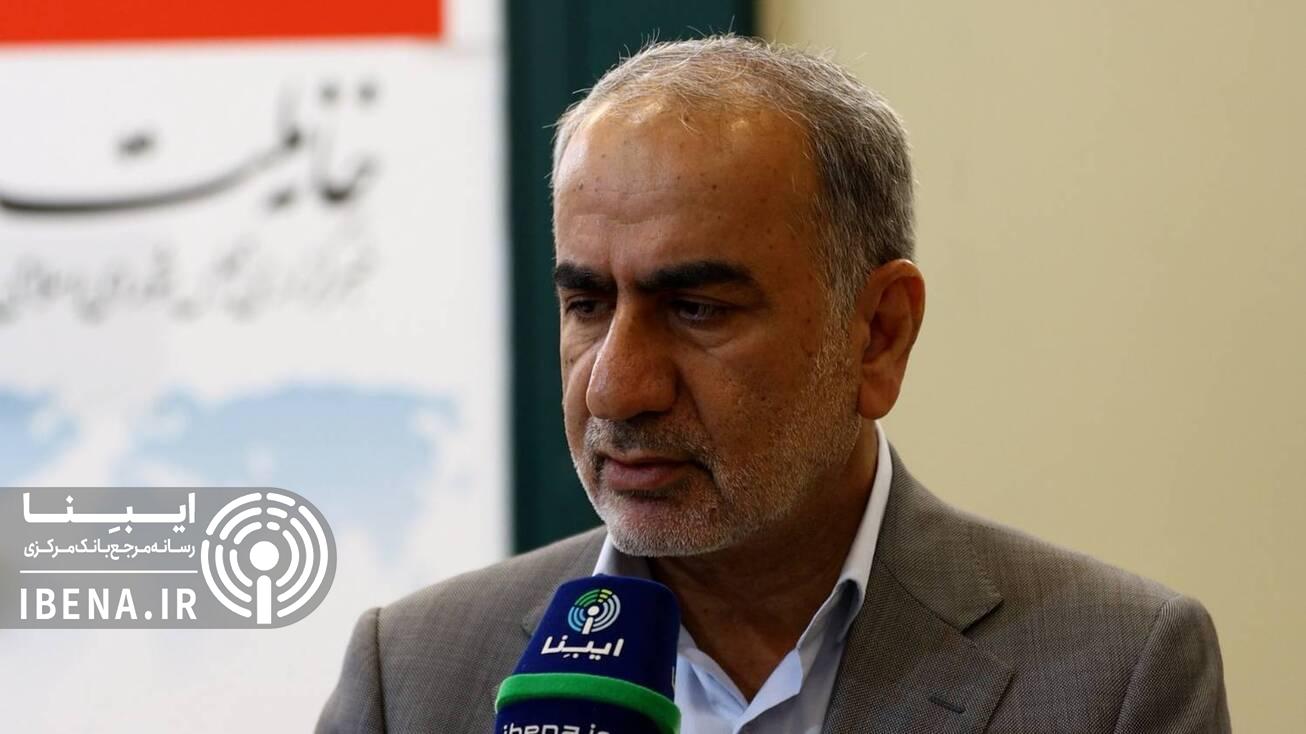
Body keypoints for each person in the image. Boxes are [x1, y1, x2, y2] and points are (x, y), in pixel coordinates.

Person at [317, 36, 1230, 733]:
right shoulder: (413, 675)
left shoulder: (1114, 674)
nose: (616, 390)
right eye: (587, 304)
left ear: (878, 334)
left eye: (697, 309)